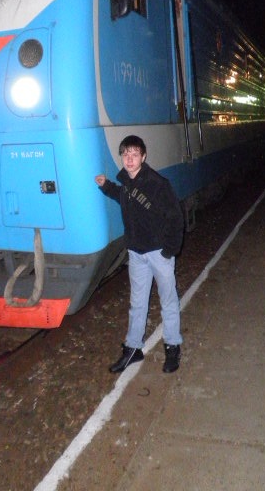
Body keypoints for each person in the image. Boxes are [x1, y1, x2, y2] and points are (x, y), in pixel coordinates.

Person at [95, 135, 184, 374]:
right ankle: (133, 348)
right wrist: (106, 186)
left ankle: (172, 346)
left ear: (143, 157)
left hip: (158, 253)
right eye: (126, 154)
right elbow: (124, 197)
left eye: (135, 154)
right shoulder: (126, 181)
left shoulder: (157, 184)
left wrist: (169, 250)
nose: (129, 159)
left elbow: (175, 217)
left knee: (168, 301)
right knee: (137, 303)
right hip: (136, 254)